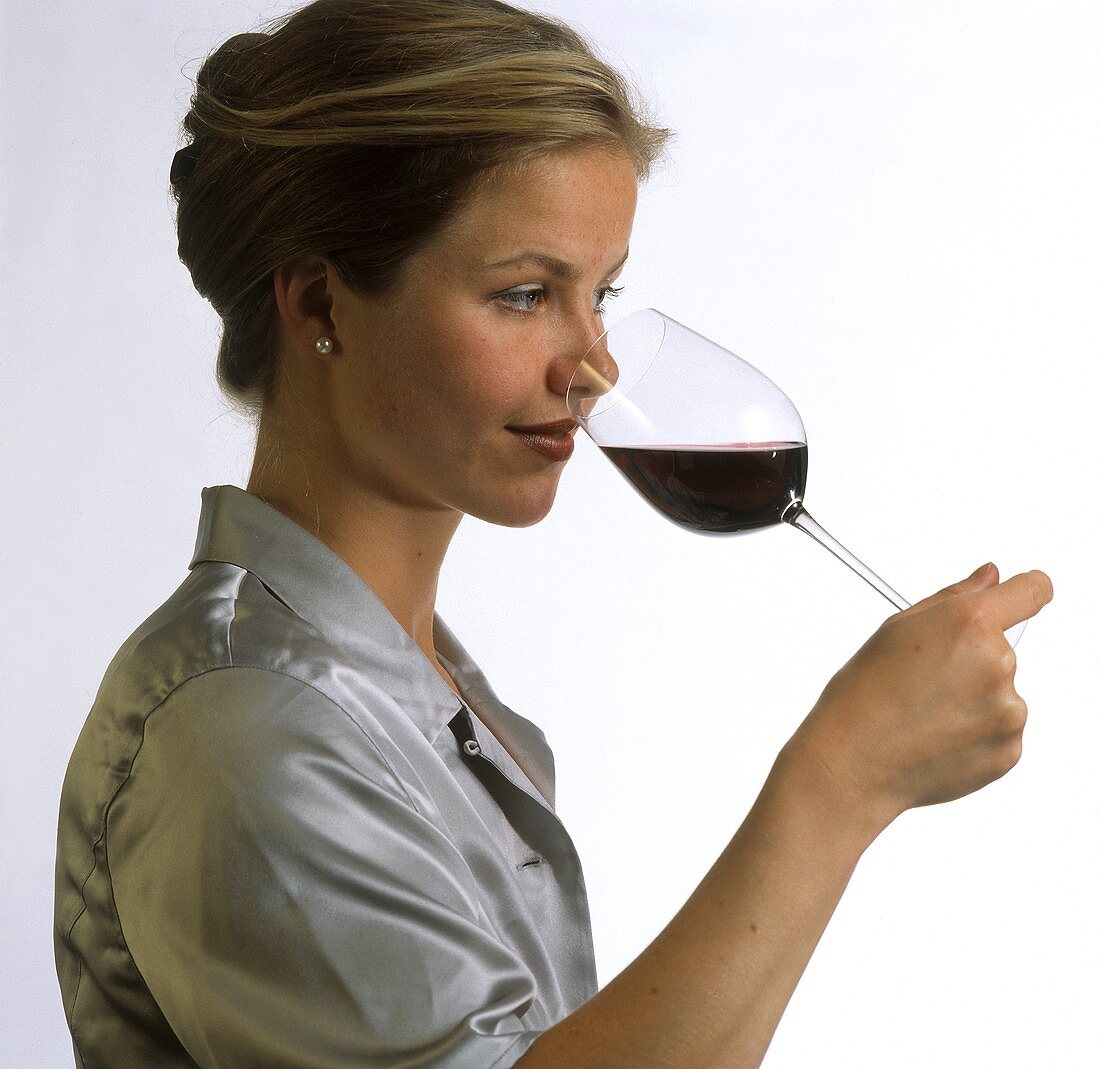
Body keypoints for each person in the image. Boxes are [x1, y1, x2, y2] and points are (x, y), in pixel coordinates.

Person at [53, 1, 1054, 1067]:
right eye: (524, 294)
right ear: (315, 301)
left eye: (600, 293)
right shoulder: (247, 730)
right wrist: (841, 777)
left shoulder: (414, 689)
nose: (593, 368)